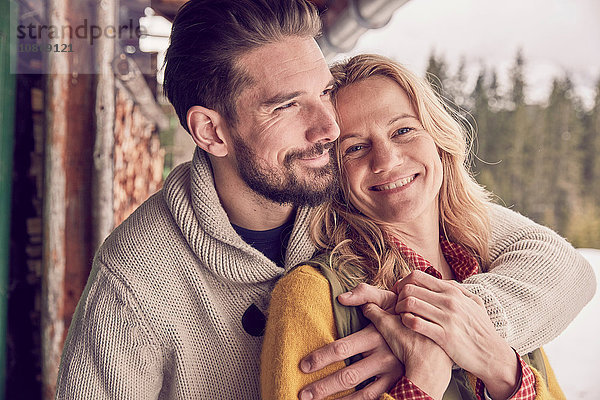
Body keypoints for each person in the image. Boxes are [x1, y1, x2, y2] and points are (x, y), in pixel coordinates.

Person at [54, 1, 595, 399]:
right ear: (212, 132)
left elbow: (560, 267)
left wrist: (449, 328)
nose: (328, 128)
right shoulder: (136, 279)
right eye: (287, 106)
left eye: (323, 94)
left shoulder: (351, 190)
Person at [260, 54, 592, 400]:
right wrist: (421, 382)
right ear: (333, 175)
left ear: (437, 138)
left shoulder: (496, 275)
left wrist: (498, 364)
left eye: (403, 130)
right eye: (355, 148)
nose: (386, 159)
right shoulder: (311, 296)